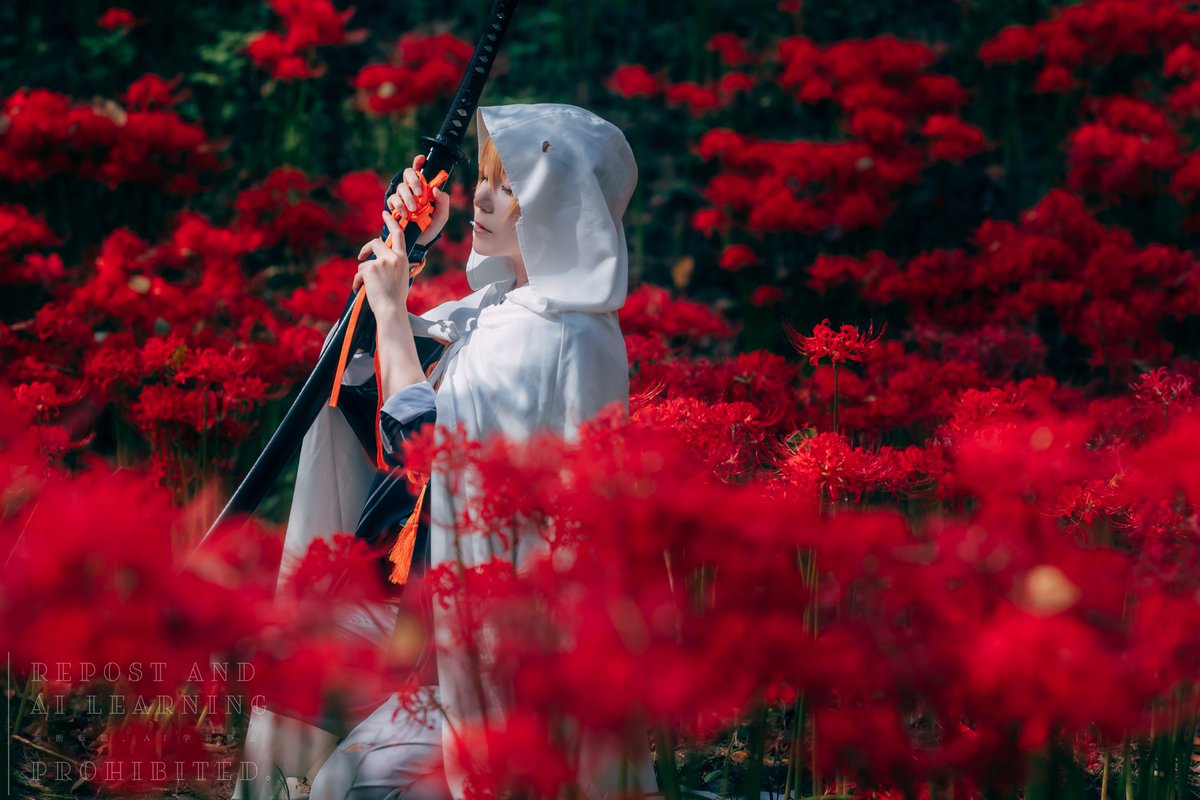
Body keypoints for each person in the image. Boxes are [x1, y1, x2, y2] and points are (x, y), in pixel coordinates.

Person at [239, 103, 653, 800]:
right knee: (297, 662)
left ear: (563, 207)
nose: (482, 199)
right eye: (484, 179)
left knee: (345, 788)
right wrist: (410, 249)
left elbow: (430, 453)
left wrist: (394, 310)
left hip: (494, 662)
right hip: (425, 621)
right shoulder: (496, 312)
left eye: (510, 186)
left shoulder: (565, 337)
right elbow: (352, 374)